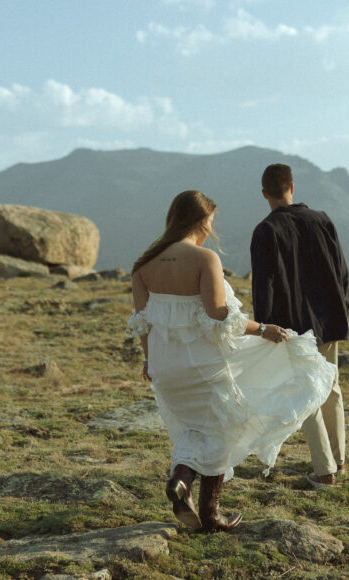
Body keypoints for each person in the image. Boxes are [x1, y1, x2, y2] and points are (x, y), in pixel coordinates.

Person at [128, 190, 337, 532]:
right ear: (199, 222)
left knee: (192, 426)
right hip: (202, 364)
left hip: (165, 365)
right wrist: (264, 329)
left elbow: (142, 322)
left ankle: (181, 480)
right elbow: (220, 315)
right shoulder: (204, 259)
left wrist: (149, 361)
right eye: (210, 222)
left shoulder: (144, 264)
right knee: (225, 427)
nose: (210, 229)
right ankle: (211, 515)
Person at [251, 164, 349, 488]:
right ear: (292, 186)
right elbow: (341, 271)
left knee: (306, 393)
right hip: (329, 318)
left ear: (265, 193)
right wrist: (343, 308)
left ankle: (324, 470)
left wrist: (265, 327)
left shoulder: (266, 231)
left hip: (293, 327)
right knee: (330, 389)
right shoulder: (322, 220)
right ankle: (339, 458)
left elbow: (263, 285)